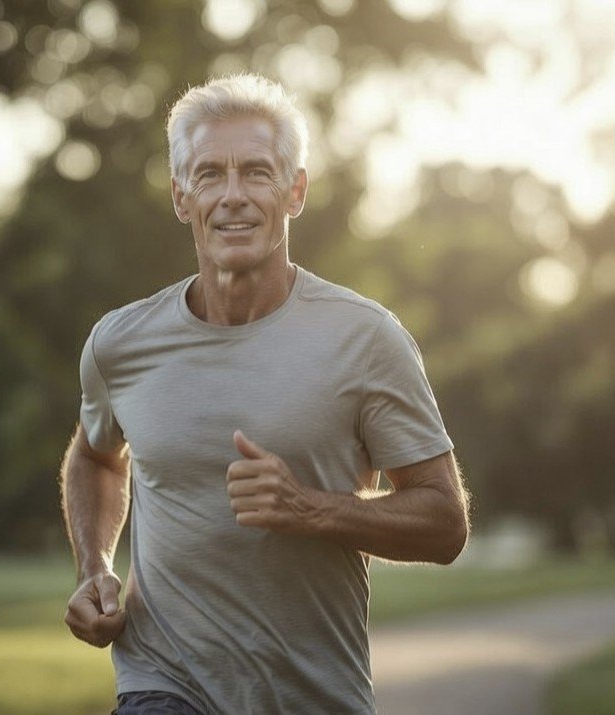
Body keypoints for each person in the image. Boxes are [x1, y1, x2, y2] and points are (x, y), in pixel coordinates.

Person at [60, 73, 470, 715]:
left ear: (295, 190)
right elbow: (94, 455)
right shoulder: (121, 343)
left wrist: (311, 509)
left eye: (256, 172)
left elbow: (445, 523)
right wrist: (94, 568)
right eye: (209, 175)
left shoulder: (365, 339)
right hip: (162, 683)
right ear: (179, 196)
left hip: (313, 694)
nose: (233, 197)